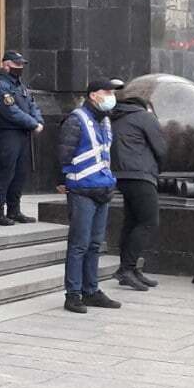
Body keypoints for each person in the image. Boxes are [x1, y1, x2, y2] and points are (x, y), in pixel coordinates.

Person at [59, 79, 122, 314]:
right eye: (107, 92)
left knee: (95, 244)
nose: (111, 95)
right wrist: (62, 180)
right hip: (82, 189)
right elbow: (64, 153)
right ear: (94, 95)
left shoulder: (105, 121)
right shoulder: (76, 119)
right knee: (79, 245)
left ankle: (91, 290)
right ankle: (73, 294)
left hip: (102, 188)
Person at [109, 91, 165, 290]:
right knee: (149, 221)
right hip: (141, 174)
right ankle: (126, 268)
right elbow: (161, 147)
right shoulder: (145, 117)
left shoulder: (116, 117)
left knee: (132, 221)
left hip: (121, 174)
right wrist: (161, 169)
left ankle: (130, 269)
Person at [0, 51, 43, 227]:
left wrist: (38, 120)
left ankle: (14, 209)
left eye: (21, 65)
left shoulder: (20, 86)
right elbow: (10, 111)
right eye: (16, 65)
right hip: (8, 132)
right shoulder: (0, 86)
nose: (19, 68)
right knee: (7, 172)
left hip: (23, 133)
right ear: (6, 64)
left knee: (20, 173)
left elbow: (32, 105)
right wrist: (33, 123)